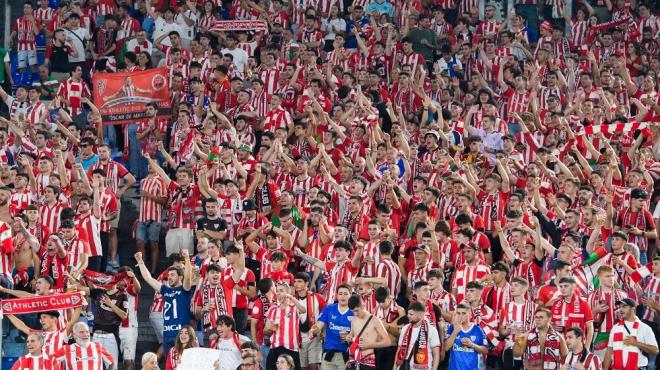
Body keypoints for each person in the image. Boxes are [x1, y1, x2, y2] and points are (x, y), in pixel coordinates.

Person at [135, 250, 193, 355]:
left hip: (181, 335)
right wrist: (140, 262)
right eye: (169, 275)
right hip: (167, 334)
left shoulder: (184, 290)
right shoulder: (165, 291)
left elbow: (188, 277)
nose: (169, 277)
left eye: (172, 275)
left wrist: (187, 259)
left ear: (180, 277)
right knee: (169, 364)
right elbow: (148, 279)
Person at [603, 298, 658, 370]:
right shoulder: (615, 328)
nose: (621, 309)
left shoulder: (645, 328)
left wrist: (636, 343)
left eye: (624, 307)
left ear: (633, 309)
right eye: (619, 307)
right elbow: (609, 351)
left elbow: (655, 350)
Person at [309, 284, 353, 370]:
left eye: (345, 294)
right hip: (328, 353)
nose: (343, 296)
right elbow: (319, 324)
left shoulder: (354, 311)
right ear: (336, 295)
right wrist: (313, 330)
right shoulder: (329, 308)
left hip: (347, 354)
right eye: (340, 293)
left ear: (350, 295)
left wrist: (350, 336)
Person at [345, 295, 390, 370]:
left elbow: (388, 341)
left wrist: (369, 345)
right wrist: (348, 337)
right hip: (353, 359)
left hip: (367, 360)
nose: (355, 314)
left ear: (363, 305)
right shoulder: (354, 320)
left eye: (356, 310)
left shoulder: (375, 320)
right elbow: (352, 336)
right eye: (353, 312)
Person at [444, 303, 489, 370]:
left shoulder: (477, 329)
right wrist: (455, 332)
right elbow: (446, 348)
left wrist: (472, 345)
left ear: (470, 314)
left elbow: (486, 350)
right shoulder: (452, 328)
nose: (460, 316)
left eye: (463, 313)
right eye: (458, 313)